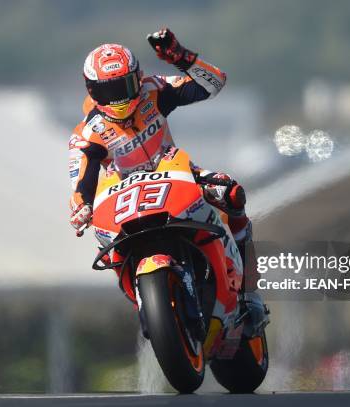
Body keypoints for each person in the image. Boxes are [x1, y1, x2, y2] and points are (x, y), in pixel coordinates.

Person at [67, 28, 267, 336]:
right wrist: (81, 206)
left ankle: (250, 293)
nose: (120, 98)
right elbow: (81, 178)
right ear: (92, 91)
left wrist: (179, 56)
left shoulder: (153, 91)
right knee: (106, 246)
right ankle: (150, 302)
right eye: (110, 91)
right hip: (124, 197)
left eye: (125, 85)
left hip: (175, 174)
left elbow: (214, 83)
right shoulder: (87, 133)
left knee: (232, 194)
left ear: (138, 77)